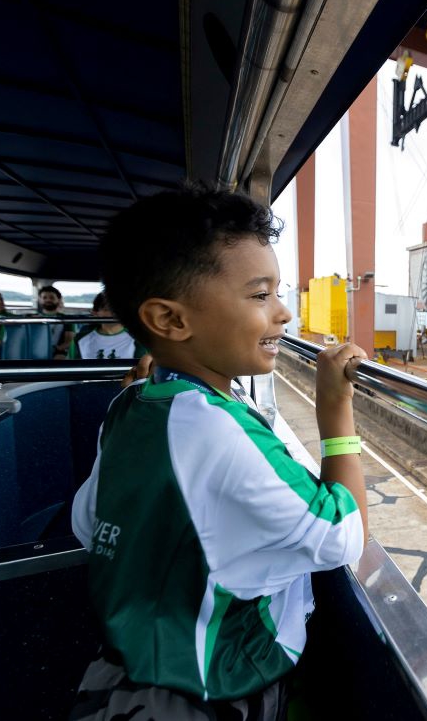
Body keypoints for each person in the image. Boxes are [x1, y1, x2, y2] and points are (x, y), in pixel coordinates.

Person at [69, 185, 368, 720]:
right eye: (260, 295)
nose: (283, 315)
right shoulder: (216, 428)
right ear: (169, 320)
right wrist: (335, 412)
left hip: (123, 670)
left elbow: (88, 525)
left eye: (279, 292)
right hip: (220, 682)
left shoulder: (131, 405)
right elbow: (342, 536)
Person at [68, 293, 147, 360]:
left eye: (119, 309)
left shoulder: (138, 338)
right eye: (108, 309)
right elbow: (71, 366)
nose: (115, 313)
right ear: (95, 313)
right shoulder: (80, 339)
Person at [37, 284, 76, 358]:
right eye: (44, 297)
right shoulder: (33, 318)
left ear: (58, 299)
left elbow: (68, 341)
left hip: (57, 352)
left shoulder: (66, 319)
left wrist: (56, 349)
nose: (48, 300)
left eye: (52, 297)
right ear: (40, 299)